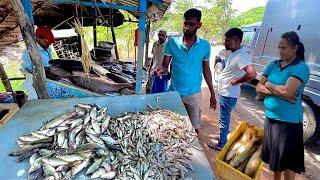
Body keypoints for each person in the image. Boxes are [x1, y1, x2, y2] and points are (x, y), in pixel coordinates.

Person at [255, 31, 309, 180]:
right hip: (271, 119)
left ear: (295, 48)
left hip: (288, 123)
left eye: (284, 48)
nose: (280, 51)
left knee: (287, 163)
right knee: (275, 159)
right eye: (279, 47)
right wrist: (279, 92)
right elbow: (259, 87)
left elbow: (288, 91)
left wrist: (270, 84)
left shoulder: (301, 68)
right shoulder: (273, 64)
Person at [155, 8, 217, 134]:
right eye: (185, 23)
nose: (187, 27)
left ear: (199, 25)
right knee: (170, 126)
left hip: (193, 94)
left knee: (194, 128)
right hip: (174, 91)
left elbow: (206, 69)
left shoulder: (205, 45)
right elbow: (165, 66)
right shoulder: (172, 43)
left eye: (191, 24)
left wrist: (212, 92)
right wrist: (161, 70)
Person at [207, 28, 257, 150]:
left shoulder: (241, 55)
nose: (225, 43)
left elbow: (252, 74)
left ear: (236, 40)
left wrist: (237, 81)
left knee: (224, 118)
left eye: (227, 41)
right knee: (224, 117)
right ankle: (222, 135)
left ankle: (222, 143)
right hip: (226, 92)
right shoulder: (235, 53)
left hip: (229, 94)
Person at [21, 26, 55, 99]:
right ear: (38, 38)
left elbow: (50, 63)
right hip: (37, 84)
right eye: (47, 41)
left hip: (49, 81)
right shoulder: (29, 51)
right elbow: (25, 69)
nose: (49, 44)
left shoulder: (47, 48)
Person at [150, 29, 169, 94]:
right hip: (154, 71)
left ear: (166, 36)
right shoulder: (155, 44)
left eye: (163, 35)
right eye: (159, 34)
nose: (160, 36)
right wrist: (151, 67)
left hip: (163, 73)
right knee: (153, 92)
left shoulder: (168, 46)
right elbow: (153, 57)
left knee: (162, 93)